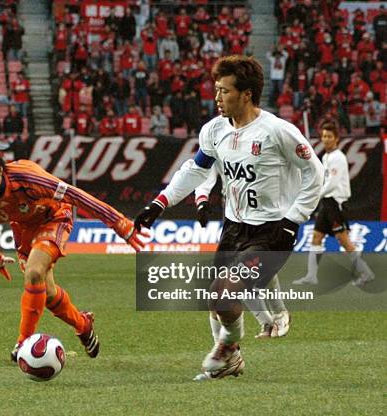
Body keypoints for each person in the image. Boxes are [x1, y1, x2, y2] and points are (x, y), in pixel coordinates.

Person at [134, 55, 324, 380]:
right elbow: (196, 169)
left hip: (272, 231)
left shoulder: (278, 131)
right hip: (234, 227)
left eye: (224, 91)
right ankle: (231, 359)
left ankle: (229, 345)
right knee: (216, 299)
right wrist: (159, 203)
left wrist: (294, 219)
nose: (217, 98)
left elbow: (315, 172)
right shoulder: (215, 130)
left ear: (246, 94)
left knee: (225, 292)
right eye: (217, 90)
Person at [0, 141, 147, 361]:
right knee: (46, 293)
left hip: (55, 218)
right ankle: (83, 324)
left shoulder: (27, 178)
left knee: (34, 272)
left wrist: (118, 222)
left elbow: (76, 196)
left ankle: (24, 343)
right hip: (24, 230)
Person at [195, 166, 291, 339]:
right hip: (232, 212)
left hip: (261, 211)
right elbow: (203, 171)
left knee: (247, 270)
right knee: (222, 284)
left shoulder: (259, 142)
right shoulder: (215, 140)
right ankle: (266, 323)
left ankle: (279, 313)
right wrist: (201, 199)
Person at [293, 120, 374, 287]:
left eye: (329, 136)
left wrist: (315, 195)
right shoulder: (326, 156)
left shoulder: (338, 157)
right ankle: (311, 276)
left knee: (343, 240)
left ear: (336, 138)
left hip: (336, 203)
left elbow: (333, 183)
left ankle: (366, 273)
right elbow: (325, 181)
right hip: (327, 202)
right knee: (316, 237)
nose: (326, 139)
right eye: (323, 136)